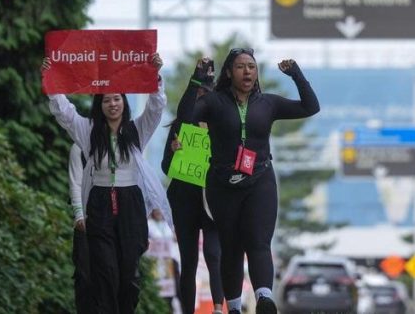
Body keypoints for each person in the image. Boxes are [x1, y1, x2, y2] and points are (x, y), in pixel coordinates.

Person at [184, 48, 319, 314]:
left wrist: (296, 75)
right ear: (228, 72)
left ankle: (264, 299)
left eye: (251, 67)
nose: (247, 71)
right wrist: (196, 78)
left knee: (258, 241)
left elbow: (310, 106)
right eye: (240, 67)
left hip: (260, 180)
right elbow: (186, 115)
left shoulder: (268, 103)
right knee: (231, 246)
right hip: (222, 184)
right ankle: (234, 307)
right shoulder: (214, 103)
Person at [43, 52, 173, 314]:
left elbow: (155, 108)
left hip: (130, 205)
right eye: (106, 100)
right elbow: (65, 113)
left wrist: (155, 75)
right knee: (105, 274)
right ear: (99, 105)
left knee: (128, 278)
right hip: (100, 205)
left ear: (124, 102)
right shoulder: (89, 131)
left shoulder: (137, 130)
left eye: (117, 99)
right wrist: (51, 80)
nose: (112, 104)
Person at [161, 57, 225, 314]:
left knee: (214, 255)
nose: (200, 103)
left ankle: (219, 308)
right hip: (184, 201)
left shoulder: (221, 128)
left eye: (204, 98)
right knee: (188, 262)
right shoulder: (180, 127)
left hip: (213, 201)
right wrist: (174, 151)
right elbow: (166, 166)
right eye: (196, 97)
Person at [68, 143, 92, 314]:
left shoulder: (120, 143)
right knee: (85, 278)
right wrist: (79, 216)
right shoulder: (79, 147)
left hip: (113, 223)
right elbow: (75, 183)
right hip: (86, 224)